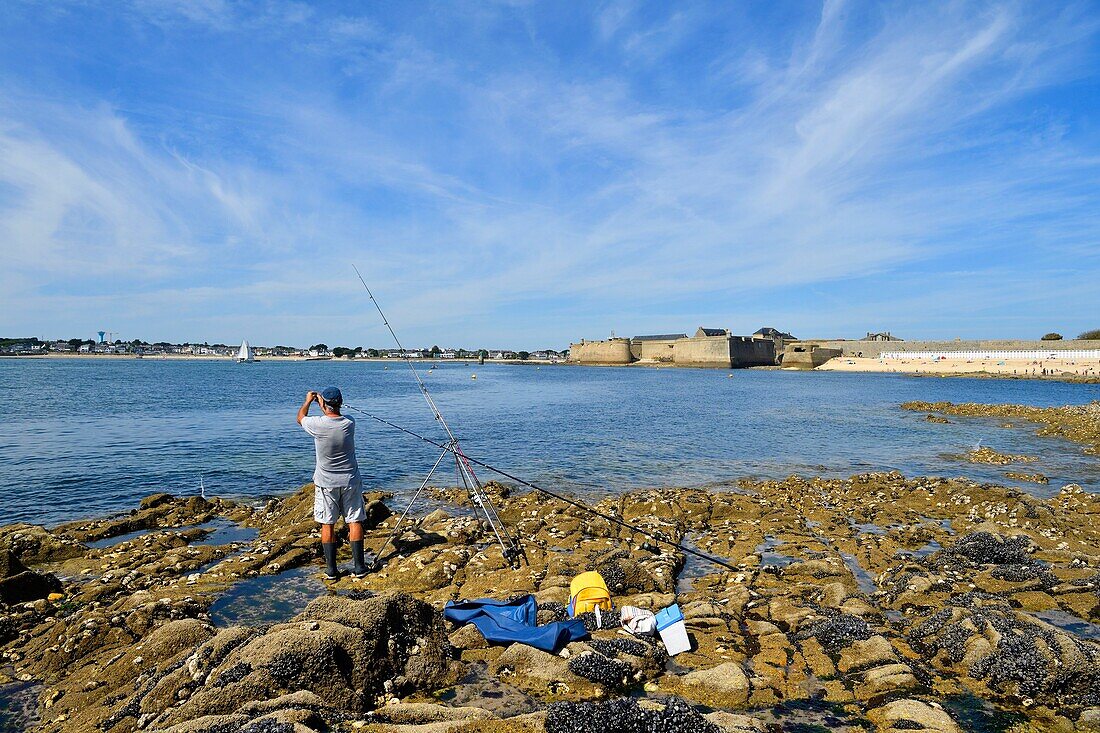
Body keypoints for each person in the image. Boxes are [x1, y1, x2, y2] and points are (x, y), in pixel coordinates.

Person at [297, 386, 368, 579]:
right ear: (341, 403)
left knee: (327, 524)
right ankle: (359, 567)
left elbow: (300, 418)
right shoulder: (349, 423)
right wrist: (323, 402)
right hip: (350, 480)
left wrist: (308, 401)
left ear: (325, 405)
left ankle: (331, 570)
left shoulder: (317, 425)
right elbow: (332, 414)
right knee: (355, 520)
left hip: (326, 482)